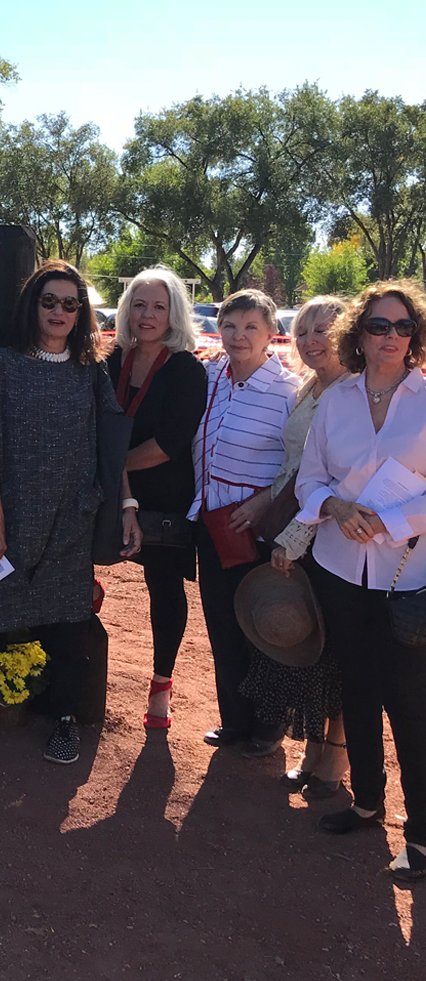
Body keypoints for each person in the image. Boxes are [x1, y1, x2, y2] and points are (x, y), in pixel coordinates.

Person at [0, 260, 142, 766]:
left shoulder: (92, 372)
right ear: (33, 306)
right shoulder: (2, 365)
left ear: (81, 312)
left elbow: (110, 451)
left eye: (69, 303)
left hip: (71, 519)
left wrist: (127, 504)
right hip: (10, 519)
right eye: (49, 301)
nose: (59, 311)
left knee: (69, 624)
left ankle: (64, 720)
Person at [295, 280, 426, 882]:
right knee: (356, 686)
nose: (391, 337)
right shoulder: (338, 400)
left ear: (415, 336)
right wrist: (335, 509)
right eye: (379, 326)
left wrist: (391, 522)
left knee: (410, 702)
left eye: (402, 327)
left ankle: (421, 837)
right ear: (360, 333)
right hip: (339, 566)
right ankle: (367, 803)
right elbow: (310, 479)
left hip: (406, 574)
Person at [240, 297, 350, 786]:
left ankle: (336, 760)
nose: (310, 341)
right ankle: (314, 752)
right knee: (313, 652)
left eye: (323, 330)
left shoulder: (350, 393)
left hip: (326, 541)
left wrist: (293, 540)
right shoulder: (311, 388)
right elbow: (294, 471)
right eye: (303, 332)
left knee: (332, 653)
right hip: (297, 531)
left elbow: (331, 479)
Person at [189, 289, 299, 749]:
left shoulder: (288, 391)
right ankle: (235, 719)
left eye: (250, 327)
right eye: (230, 326)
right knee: (222, 622)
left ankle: (270, 724)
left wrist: (264, 501)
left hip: (257, 528)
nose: (238, 336)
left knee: (263, 625)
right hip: (212, 523)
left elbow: (301, 464)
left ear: (270, 334)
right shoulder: (210, 375)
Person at [105, 267, 207, 730]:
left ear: (174, 314)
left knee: (164, 591)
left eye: (159, 306)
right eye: (140, 305)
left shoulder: (187, 369)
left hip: (163, 496)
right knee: (70, 568)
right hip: (110, 491)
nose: (148, 315)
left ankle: (161, 684)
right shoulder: (110, 360)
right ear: (127, 309)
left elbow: (170, 444)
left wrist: (112, 465)